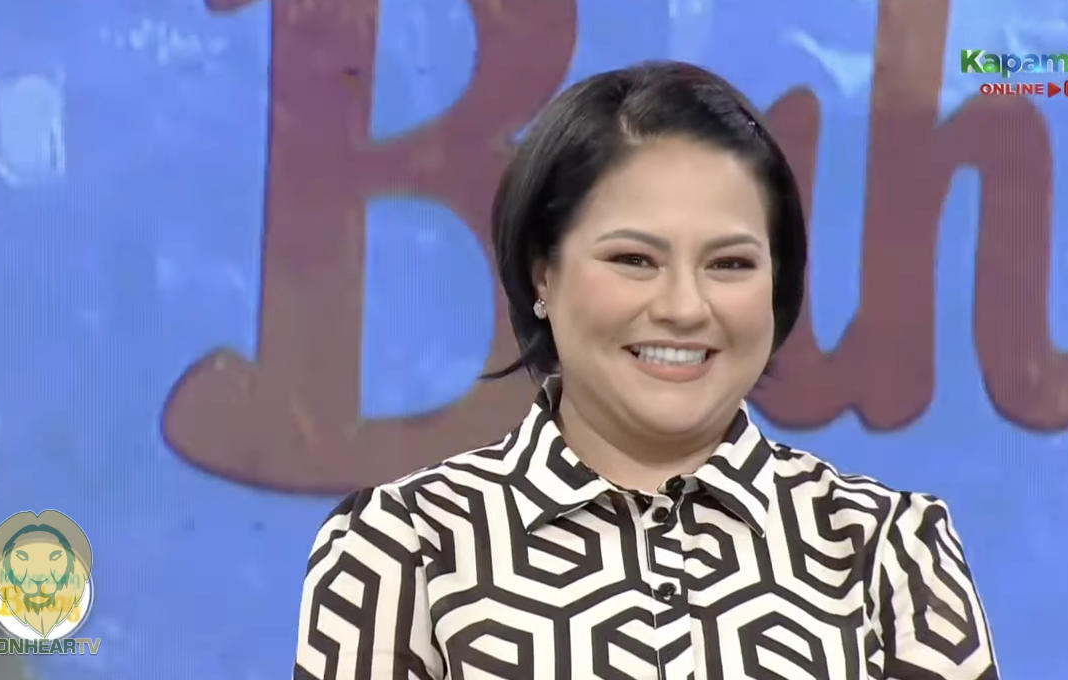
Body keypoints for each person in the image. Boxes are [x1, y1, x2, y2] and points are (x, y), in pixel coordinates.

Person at [292, 60, 999, 679]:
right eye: (634, 260)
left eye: (730, 264)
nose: (684, 308)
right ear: (543, 274)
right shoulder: (404, 544)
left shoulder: (888, 548)